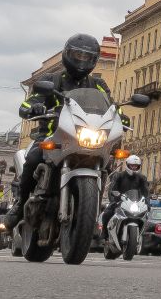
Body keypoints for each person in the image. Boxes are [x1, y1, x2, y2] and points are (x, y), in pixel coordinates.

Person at [12, 35, 110, 217]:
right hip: (52, 135)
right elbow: (29, 103)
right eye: (77, 55)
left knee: (107, 162)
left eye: (87, 57)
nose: (82, 60)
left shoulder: (98, 85)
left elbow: (111, 106)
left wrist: (122, 116)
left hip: (84, 137)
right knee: (33, 159)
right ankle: (19, 205)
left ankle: (92, 217)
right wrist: (34, 108)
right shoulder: (52, 80)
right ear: (67, 54)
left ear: (93, 60)